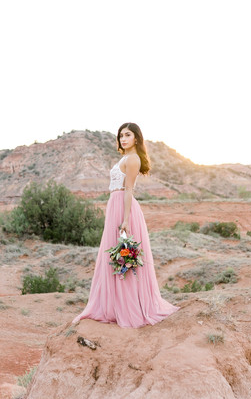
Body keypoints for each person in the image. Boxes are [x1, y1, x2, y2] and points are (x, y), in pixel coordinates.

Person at [73, 123, 179, 328]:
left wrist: (126, 220)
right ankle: (114, 306)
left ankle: (129, 308)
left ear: (136, 138)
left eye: (128, 135)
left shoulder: (133, 159)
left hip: (124, 209)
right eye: (121, 135)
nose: (123, 138)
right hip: (115, 206)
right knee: (116, 257)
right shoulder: (125, 158)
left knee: (125, 257)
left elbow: (128, 189)